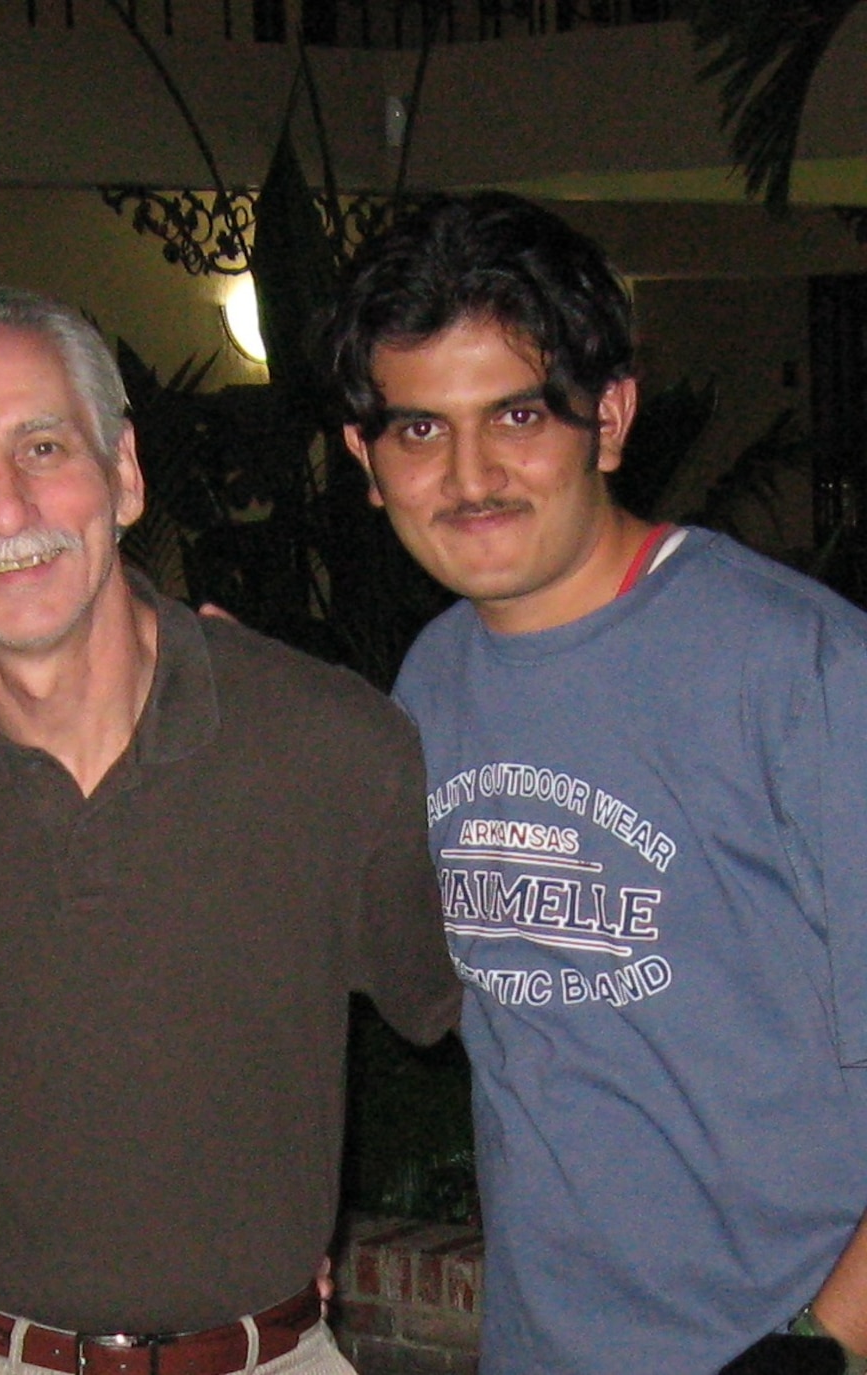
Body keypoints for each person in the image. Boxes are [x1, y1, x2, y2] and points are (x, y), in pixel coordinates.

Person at [0, 287, 461, 1375]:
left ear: (123, 474)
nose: (4, 509)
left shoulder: (332, 746)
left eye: (42, 446)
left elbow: (526, 1032)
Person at [322, 191, 867, 1374]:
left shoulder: (800, 668)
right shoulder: (433, 679)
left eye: (516, 414)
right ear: (367, 462)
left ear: (608, 416)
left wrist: (818, 1343)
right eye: (418, 430)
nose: (469, 475)